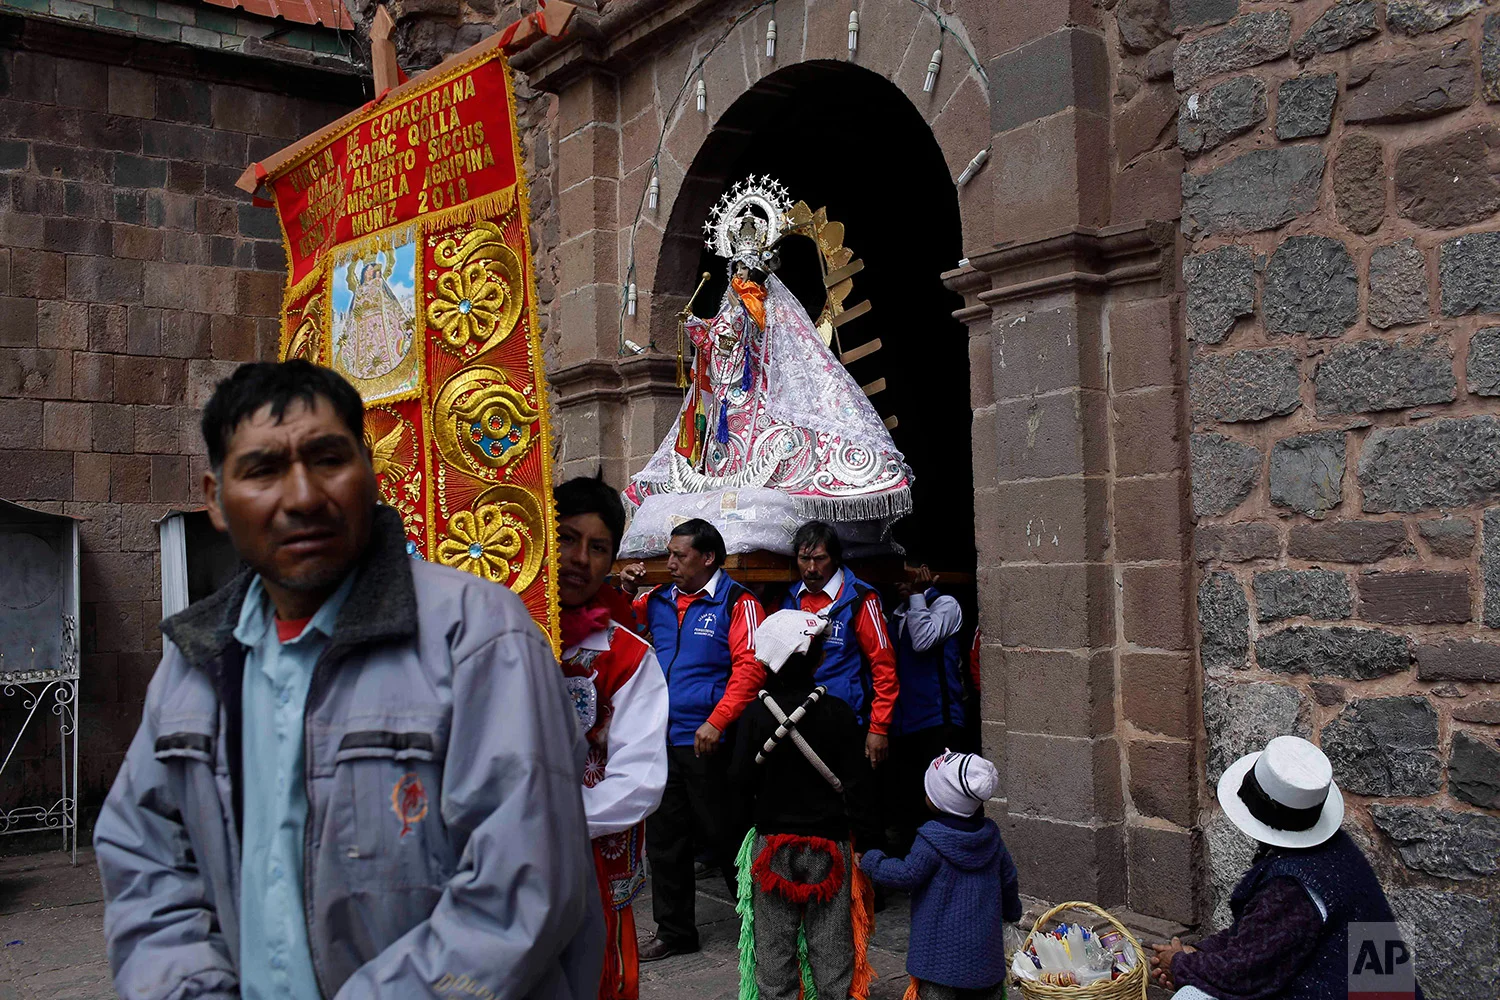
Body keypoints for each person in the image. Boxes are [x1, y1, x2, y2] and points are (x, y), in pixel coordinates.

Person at [94, 360, 601, 1000]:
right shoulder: (193, 664)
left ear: (369, 471)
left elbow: (522, 892)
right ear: (215, 500)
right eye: (263, 470)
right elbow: (146, 862)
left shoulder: (477, 636)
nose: (303, 497)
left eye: (328, 459)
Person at [1150, 736, 1423, 1000]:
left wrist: (1180, 965)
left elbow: (1246, 971)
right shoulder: (1336, 851)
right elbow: (1255, 937)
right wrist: (1195, 951)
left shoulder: (1292, 887)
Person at [627, 518, 766, 961]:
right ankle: (675, 932)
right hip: (661, 738)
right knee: (664, 840)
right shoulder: (658, 601)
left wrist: (718, 720)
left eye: (679, 555)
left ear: (707, 558)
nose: (669, 563)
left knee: (727, 836)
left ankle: (762, 923)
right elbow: (620, 628)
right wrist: (626, 591)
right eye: (668, 553)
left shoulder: (738, 603)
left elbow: (751, 668)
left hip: (709, 740)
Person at [555, 477, 670, 1000]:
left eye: (597, 547)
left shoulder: (625, 655)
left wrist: (558, 821)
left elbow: (640, 777)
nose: (579, 558)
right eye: (566, 537)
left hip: (590, 858)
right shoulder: (487, 624)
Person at [728, 610, 881, 1000]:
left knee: (773, 947)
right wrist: (864, 841)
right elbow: (859, 786)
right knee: (832, 948)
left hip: (770, 848)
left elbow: (739, 783)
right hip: (828, 847)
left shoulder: (755, 715)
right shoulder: (839, 713)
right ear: (817, 659)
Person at [859, 751, 1021, 1000]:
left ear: (942, 801)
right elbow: (1008, 880)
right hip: (984, 957)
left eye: (930, 790)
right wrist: (1012, 913)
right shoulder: (992, 839)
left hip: (939, 960)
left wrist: (873, 860)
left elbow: (906, 875)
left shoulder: (932, 840)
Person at [783, 521, 899, 767]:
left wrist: (879, 727)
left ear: (835, 559)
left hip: (846, 721)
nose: (811, 568)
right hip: (797, 721)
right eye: (804, 559)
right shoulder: (790, 598)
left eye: (820, 559)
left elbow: (884, 666)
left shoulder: (860, 599)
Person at [886, 565, 966, 855]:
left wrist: (919, 595)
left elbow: (922, 641)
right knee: (910, 803)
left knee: (942, 803)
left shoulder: (946, 605)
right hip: (905, 723)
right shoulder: (899, 613)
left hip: (938, 721)